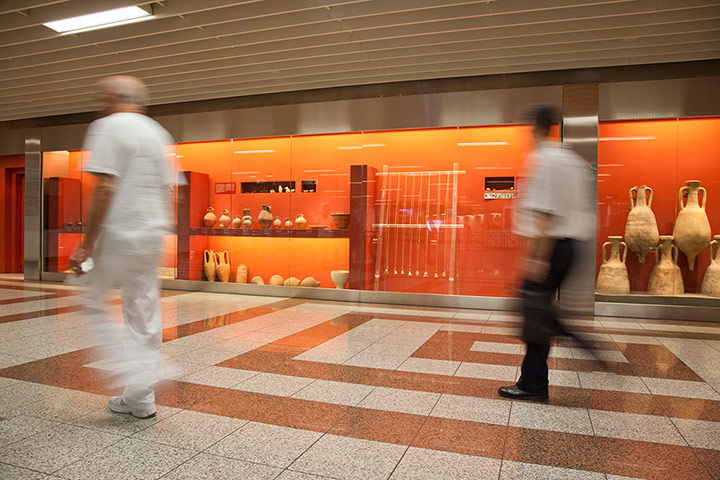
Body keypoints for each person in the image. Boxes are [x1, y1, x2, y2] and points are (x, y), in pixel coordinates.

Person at [69, 75, 177, 419]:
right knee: (143, 310)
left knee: (89, 298)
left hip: (121, 233)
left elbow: (105, 188)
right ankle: (141, 396)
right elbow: (169, 189)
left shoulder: (109, 126)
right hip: (151, 234)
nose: (101, 103)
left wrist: (86, 245)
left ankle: (130, 369)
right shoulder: (158, 133)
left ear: (114, 97)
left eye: (103, 97)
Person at [498, 105, 594, 402]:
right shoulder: (569, 160)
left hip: (552, 246)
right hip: (569, 246)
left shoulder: (546, 160)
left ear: (535, 130)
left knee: (535, 310)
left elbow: (546, 216)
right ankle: (537, 375)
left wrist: (536, 258)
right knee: (539, 310)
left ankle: (535, 381)